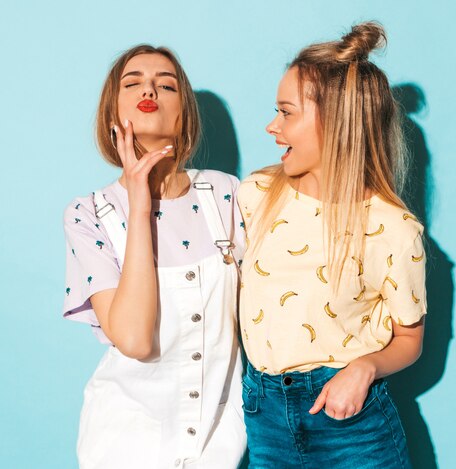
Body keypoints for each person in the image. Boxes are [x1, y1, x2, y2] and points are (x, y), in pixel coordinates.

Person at [237, 22, 427, 468]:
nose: (271, 126)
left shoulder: (393, 228)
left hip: (354, 429)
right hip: (265, 416)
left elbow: (409, 339)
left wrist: (365, 368)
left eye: (287, 113)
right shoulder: (257, 194)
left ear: (338, 124)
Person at [63, 45, 246, 469]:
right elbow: (134, 339)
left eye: (167, 84)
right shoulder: (87, 214)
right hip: (123, 445)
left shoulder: (226, 194)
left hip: (220, 442)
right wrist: (140, 202)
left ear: (184, 117)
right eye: (133, 83)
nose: (150, 88)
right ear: (114, 111)